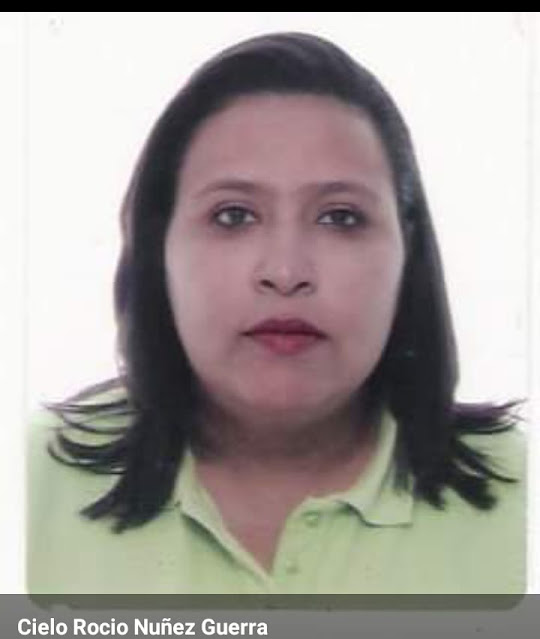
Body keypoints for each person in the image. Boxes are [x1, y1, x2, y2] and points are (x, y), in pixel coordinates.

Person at [27, 32, 525, 595]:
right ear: (158, 246)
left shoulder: (522, 499)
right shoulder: (25, 484)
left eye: (340, 217)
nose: (285, 271)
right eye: (234, 215)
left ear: (407, 253)